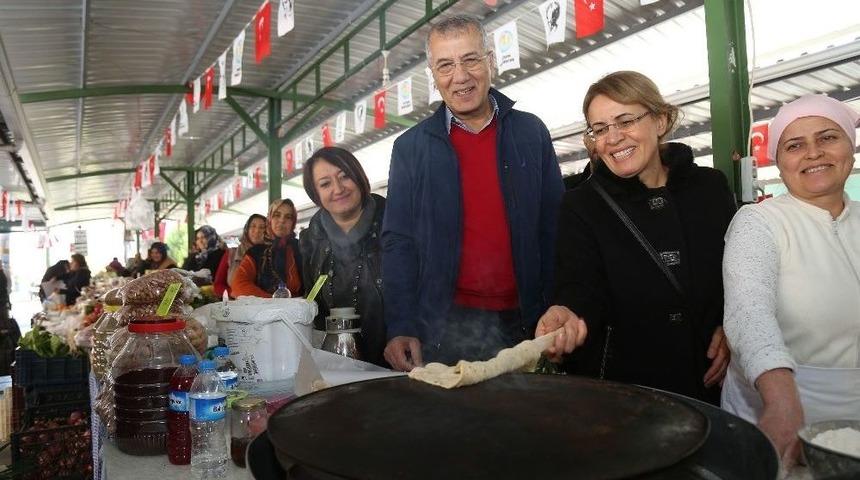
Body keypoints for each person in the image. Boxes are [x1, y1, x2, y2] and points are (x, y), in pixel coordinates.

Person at [382, 14, 583, 372]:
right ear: (433, 74)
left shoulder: (531, 133)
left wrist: (559, 304)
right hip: (443, 328)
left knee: (527, 407)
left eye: (470, 59)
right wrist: (401, 325)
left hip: (528, 322)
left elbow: (556, 228)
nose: (460, 76)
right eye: (445, 65)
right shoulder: (410, 148)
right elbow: (399, 241)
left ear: (491, 61)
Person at [536, 71, 735, 405]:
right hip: (626, 393)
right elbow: (578, 286)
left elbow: (735, 274)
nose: (613, 138)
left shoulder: (710, 188)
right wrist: (567, 313)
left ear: (660, 120)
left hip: (710, 381)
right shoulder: (581, 205)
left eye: (625, 121)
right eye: (600, 129)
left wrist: (732, 326)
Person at [721, 94, 860, 468]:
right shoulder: (759, 223)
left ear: (850, 147)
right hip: (779, 416)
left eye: (828, 137)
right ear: (779, 162)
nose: (813, 153)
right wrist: (781, 399)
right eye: (795, 145)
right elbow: (749, 313)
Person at [299, 147, 387, 366]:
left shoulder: (394, 225)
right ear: (315, 194)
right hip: (337, 364)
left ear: (359, 177)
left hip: (397, 359)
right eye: (325, 184)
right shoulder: (312, 240)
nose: (338, 189)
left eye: (345, 176)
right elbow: (313, 303)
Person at [232, 199, 303, 298]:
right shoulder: (256, 252)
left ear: (293, 222)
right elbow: (239, 285)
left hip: (302, 306)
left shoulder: (302, 248)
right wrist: (273, 302)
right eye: (277, 215)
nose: (282, 220)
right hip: (265, 307)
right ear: (269, 219)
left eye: (288, 217)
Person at [213, 214, 267, 299]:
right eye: (253, 226)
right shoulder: (232, 252)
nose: (257, 231)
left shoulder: (271, 253)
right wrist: (235, 293)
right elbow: (218, 285)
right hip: (235, 302)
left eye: (262, 227)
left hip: (266, 303)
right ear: (247, 229)